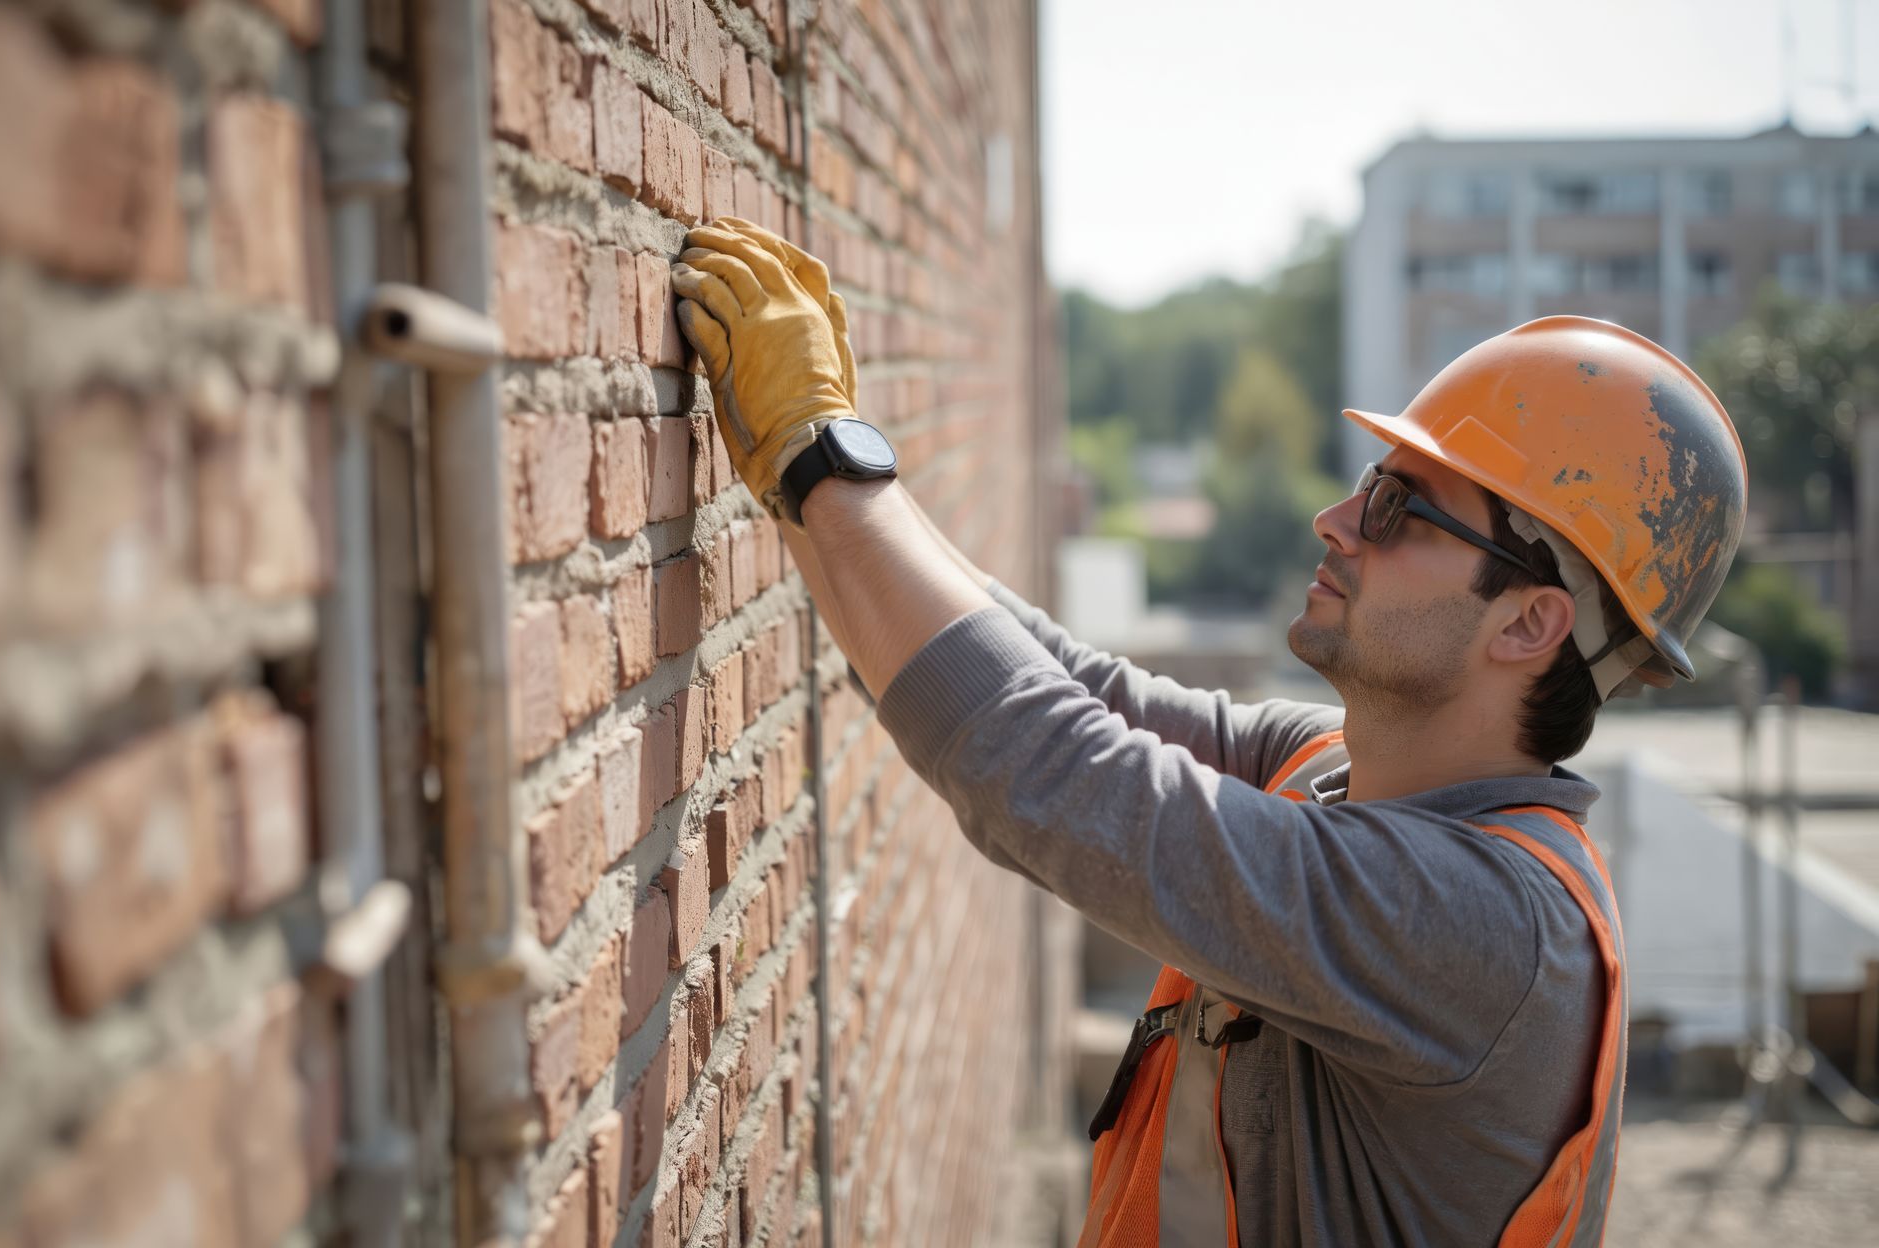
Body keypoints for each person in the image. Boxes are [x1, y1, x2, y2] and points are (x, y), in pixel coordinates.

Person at [669, 218, 1747, 1247]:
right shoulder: (1336, 765)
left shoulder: (1490, 934)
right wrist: (819, 473)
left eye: (1399, 508)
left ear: (1528, 621)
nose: (1338, 521)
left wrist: (825, 458)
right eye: (1370, 485)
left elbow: (1048, 770)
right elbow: (1063, 685)